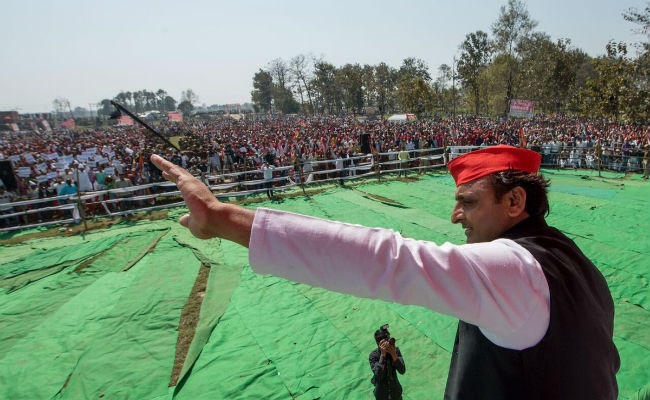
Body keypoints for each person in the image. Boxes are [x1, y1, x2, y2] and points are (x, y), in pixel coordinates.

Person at [150, 144, 620, 399]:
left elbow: (388, 260)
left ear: (515, 201)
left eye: (468, 202)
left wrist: (224, 219)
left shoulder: (513, 269)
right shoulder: (579, 265)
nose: (455, 216)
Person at [369, 324, 405, 400]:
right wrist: (383, 355)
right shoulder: (374, 356)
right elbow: (378, 375)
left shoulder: (395, 351)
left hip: (396, 392)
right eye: (387, 341)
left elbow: (402, 370)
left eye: (389, 339)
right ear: (379, 344)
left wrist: (394, 355)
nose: (390, 343)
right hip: (382, 394)